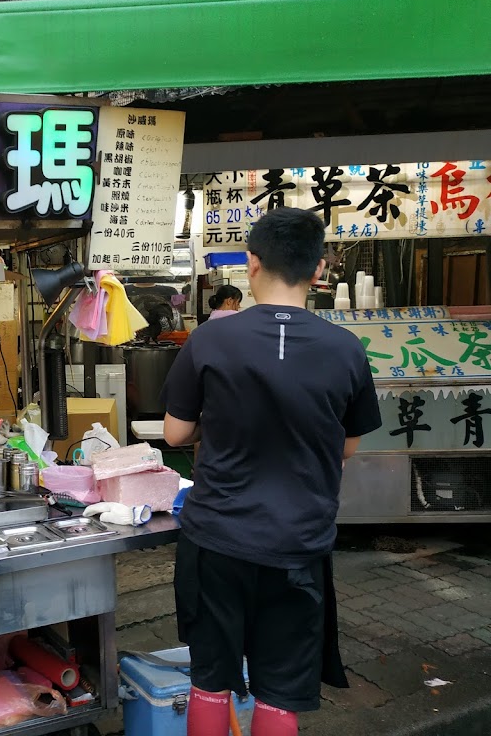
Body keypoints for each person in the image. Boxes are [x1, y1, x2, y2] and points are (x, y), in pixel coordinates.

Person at [161, 208, 382, 736]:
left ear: (252, 263)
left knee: (210, 681)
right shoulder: (346, 349)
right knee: (280, 692)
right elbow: (347, 446)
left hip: (217, 540)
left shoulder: (210, 340)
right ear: (319, 269)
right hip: (299, 544)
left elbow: (173, 434)